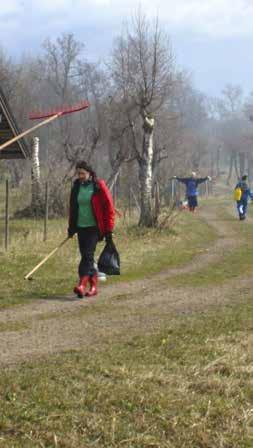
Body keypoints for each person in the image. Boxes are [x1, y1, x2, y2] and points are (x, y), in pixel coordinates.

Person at [68, 161, 115, 298]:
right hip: (81, 228)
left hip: (95, 228)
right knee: (86, 257)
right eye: (78, 173)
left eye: (83, 173)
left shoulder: (98, 186)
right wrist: (71, 227)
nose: (80, 176)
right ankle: (93, 287)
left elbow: (109, 208)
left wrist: (109, 230)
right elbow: (73, 208)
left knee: (87, 256)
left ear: (90, 173)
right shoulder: (76, 187)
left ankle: (82, 285)